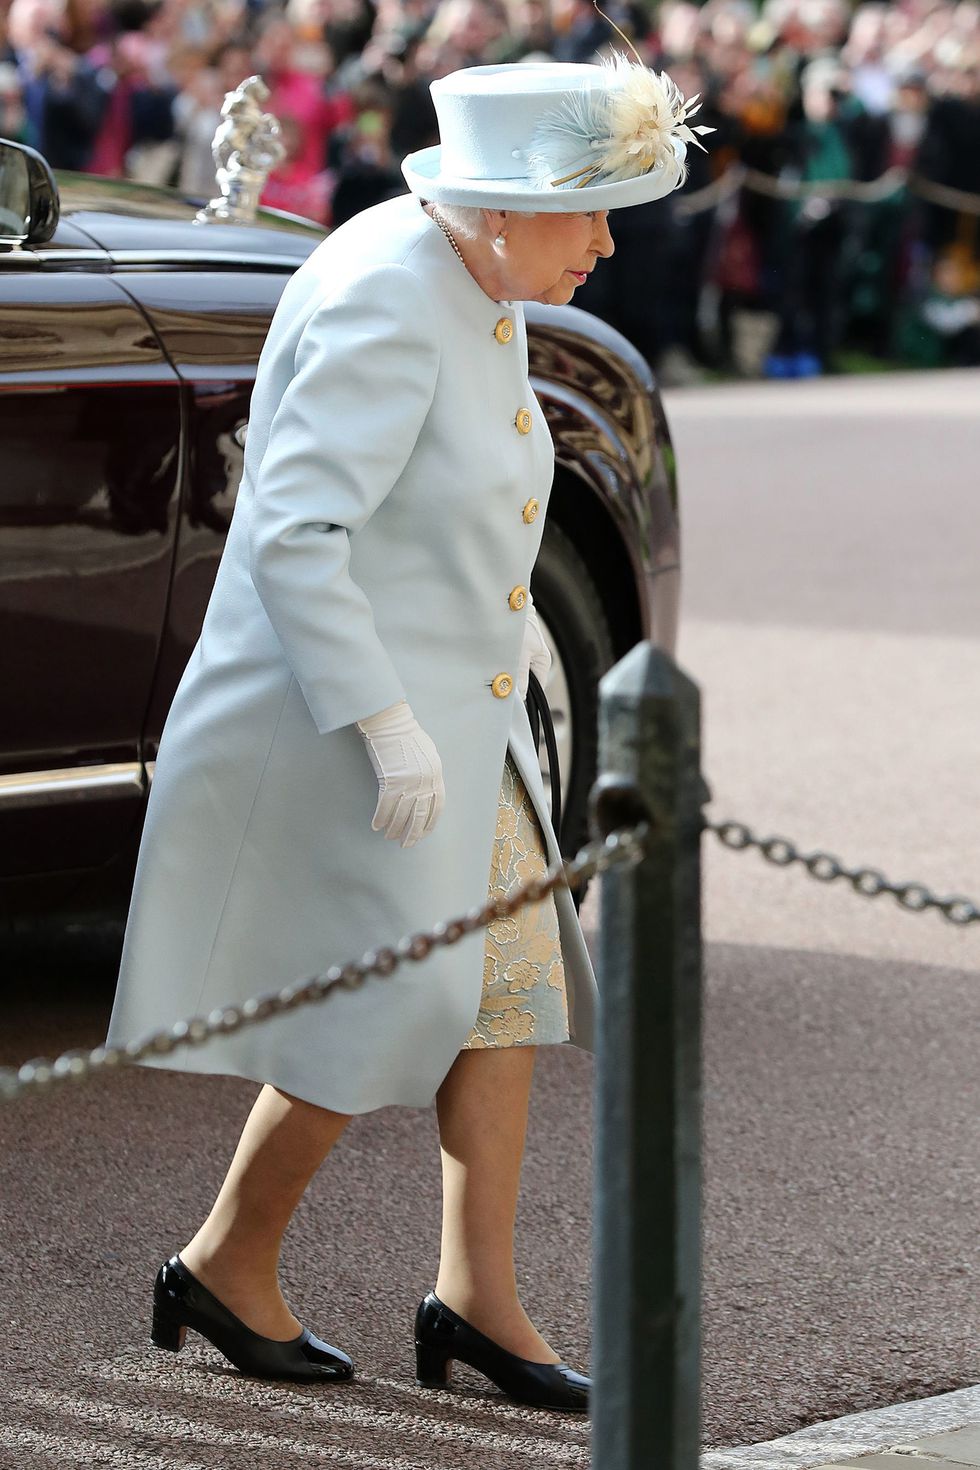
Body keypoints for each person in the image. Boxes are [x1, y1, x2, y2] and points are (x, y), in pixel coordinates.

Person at [106, 54, 710, 1411]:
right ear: (505, 205)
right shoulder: (396, 289)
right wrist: (386, 725)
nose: (611, 243)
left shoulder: (466, 267)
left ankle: (476, 1298)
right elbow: (296, 533)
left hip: (438, 716)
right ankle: (225, 1258)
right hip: (342, 717)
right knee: (385, 998)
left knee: (502, 992)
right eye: (597, 211)